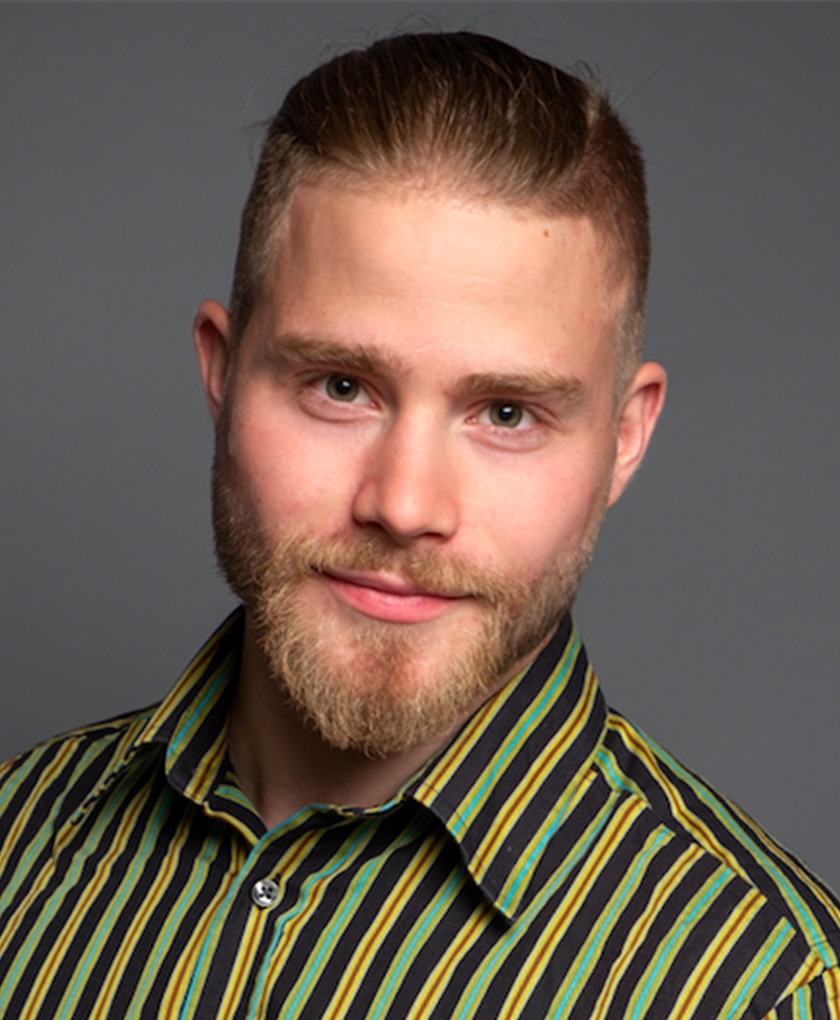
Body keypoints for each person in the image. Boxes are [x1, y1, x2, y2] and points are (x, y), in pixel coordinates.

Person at [0, 30, 837, 1020]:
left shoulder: (767, 989)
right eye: (340, 387)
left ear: (624, 439)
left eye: (507, 413)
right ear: (221, 373)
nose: (403, 506)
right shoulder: (17, 844)